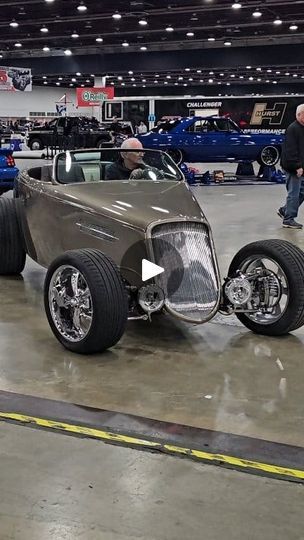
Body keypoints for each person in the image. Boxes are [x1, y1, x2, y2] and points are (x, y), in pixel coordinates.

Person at [278, 104, 304, 229]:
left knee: (302, 192)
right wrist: (297, 166)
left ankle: (285, 210)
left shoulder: (302, 128)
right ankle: (288, 219)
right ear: (299, 115)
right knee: (294, 193)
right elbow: (290, 151)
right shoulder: (293, 128)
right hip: (293, 167)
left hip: (300, 167)